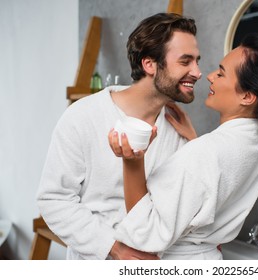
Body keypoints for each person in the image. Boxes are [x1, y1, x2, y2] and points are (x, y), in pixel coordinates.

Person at [108, 34, 258, 259]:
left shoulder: (206, 152)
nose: (209, 76)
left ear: (246, 96)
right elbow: (216, 183)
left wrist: (132, 162)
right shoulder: (252, 145)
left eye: (222, 72)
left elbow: (146, 231)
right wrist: (195, 140)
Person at [36, 13, 201, 260]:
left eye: (197, 61)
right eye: (185, 61)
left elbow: (186, 206)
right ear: (150, 64)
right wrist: (113, 248)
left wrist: (194, 143)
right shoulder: (83, 116)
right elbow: (54, 200)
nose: (197, 72)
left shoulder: (178, 128)